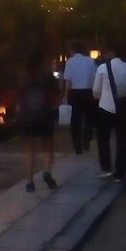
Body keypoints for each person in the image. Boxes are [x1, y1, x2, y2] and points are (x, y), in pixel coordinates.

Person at [90, 41, 126, 181]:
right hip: (123, 108)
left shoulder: (102, 68)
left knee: (103, 139)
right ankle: (120, 173)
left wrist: (102, 97)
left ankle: (106, 168)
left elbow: (96, 91)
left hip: (105, 107)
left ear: (112, 53)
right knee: (122, 140)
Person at [16, 51, 59, 192]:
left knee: (29, 151)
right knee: (47, 148)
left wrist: (19, 116)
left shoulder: (22, 77)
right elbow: (56, 93)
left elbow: (19, 99)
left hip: (27, 117)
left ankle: (29, 183)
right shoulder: (47, 75)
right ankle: (46, 171)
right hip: (44, 116)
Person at [60, 42, 97, 154]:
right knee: (89, 118)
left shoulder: (70, 62)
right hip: (88, 92)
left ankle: (77, 147)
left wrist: (65, 96)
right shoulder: (90, 61)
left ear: (73, 50)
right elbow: (95, 77)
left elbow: (68, 81)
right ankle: (86, 140)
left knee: (75, 120)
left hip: (74, 93)